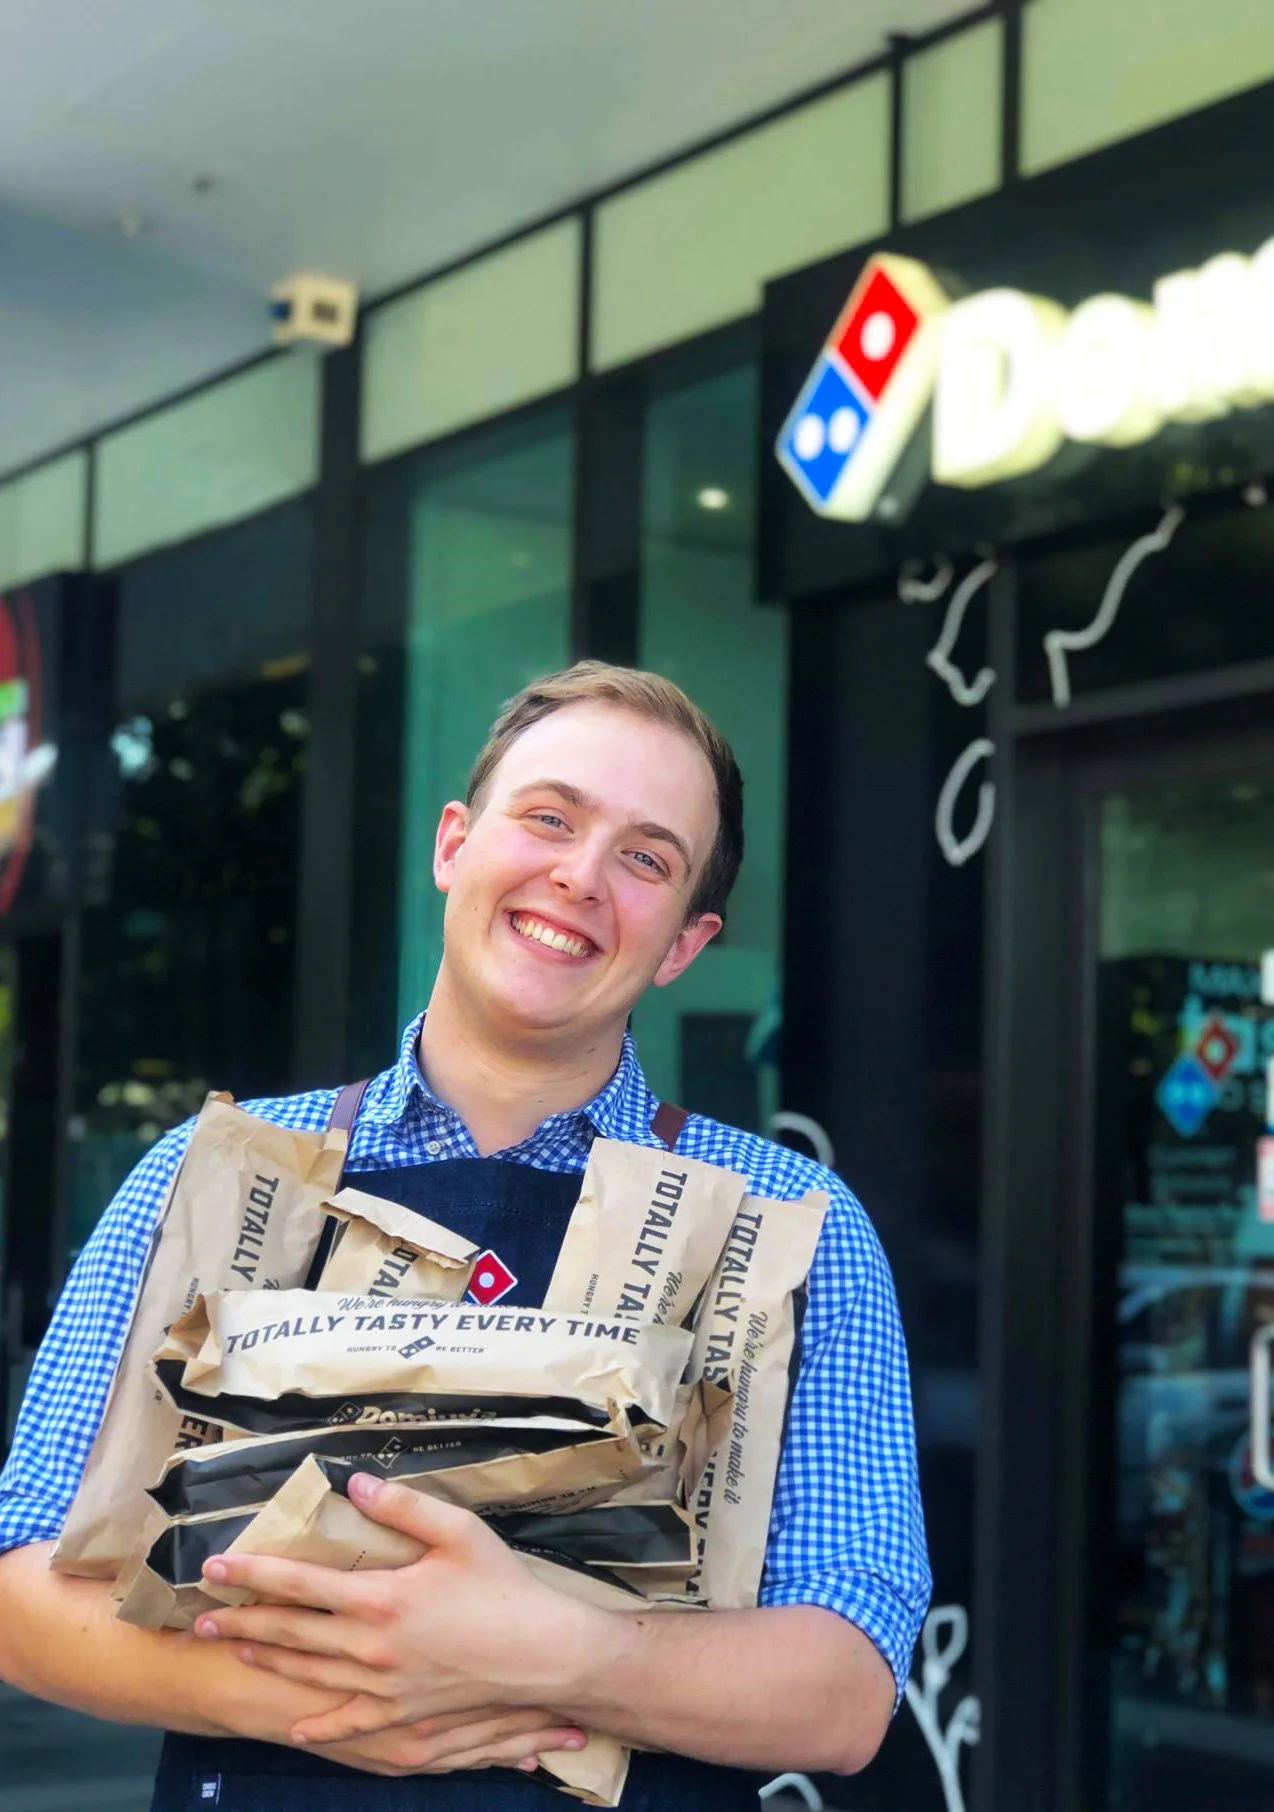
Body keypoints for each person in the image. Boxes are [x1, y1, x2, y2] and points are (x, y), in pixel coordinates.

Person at [0, 662, 931, 1811]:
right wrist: (349, 1708)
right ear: (453, 844)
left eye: (644, 858)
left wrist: (548, 1650)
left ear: (684, 942)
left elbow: (847, 1691)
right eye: (548, 817)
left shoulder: (792, 1225)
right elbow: (22, 1595)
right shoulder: (207, 1178)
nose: (580, 876)